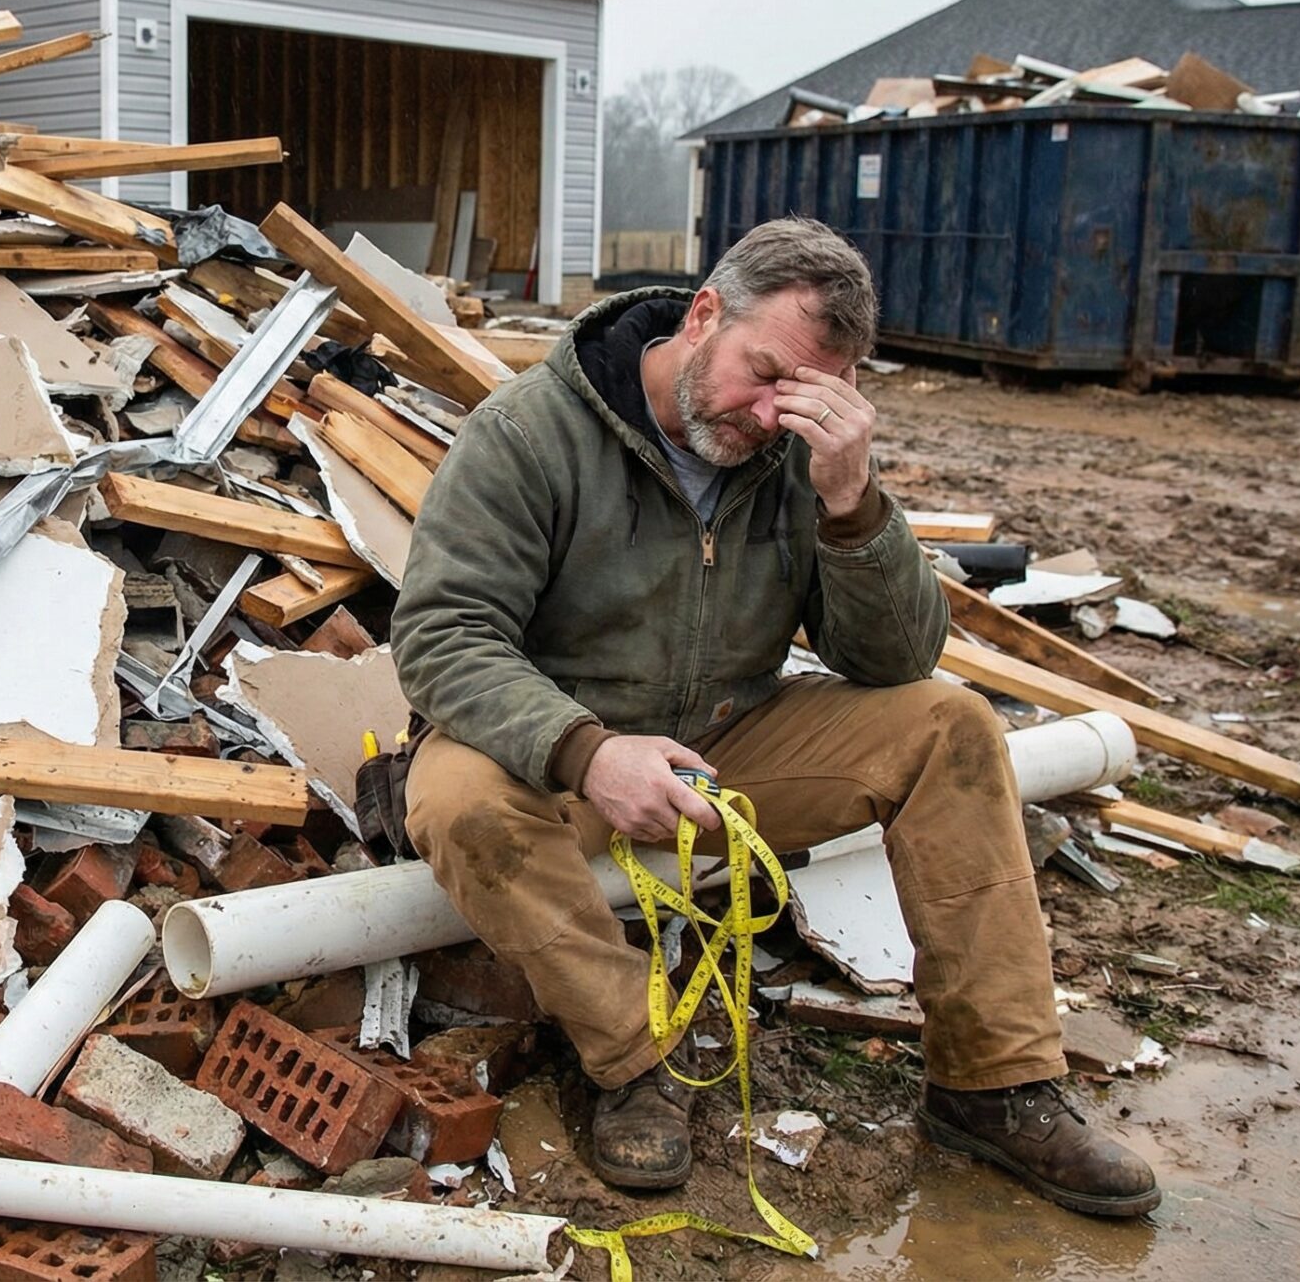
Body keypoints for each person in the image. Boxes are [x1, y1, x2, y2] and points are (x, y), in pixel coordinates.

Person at [386, 216, 1158, 1217]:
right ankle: (631, 1063)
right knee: (452, 798)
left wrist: (852, 504)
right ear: (703, 313)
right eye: (759, 372)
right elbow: (441, 633)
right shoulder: (534, 430)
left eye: (798, 394)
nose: (764, 413)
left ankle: (994, 1085)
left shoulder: (799, 453)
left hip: (727, 740)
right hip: (556, 753)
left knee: (951, 724)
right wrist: (589, 751)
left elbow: (891, 661)